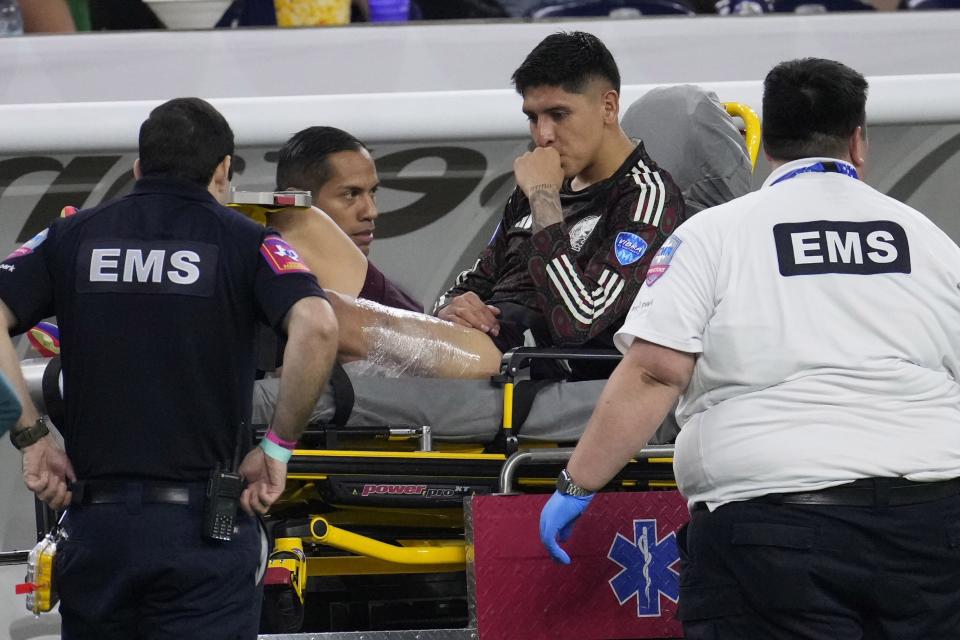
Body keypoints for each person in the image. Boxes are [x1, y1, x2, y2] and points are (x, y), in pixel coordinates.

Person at [539, 57, 960, 639]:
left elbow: (656, 373)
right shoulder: (930, 240)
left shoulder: (714, 235)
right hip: (933, 529)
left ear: (767, 144)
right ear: (858, 142)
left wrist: (577, 483)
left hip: (772, 532)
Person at [0, 97, 337, 639]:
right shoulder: (245, 242)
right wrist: (276, 448)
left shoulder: (72, 236)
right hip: (201, 535)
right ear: (223, 170)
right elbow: (318, 327)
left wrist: (32, 439)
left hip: (97, 530)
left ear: (138, 167)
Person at [275, 126, 422, 312]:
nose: (371, 212)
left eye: (373, 192)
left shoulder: (379, 293)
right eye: (351, 194)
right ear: (296, 203)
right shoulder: (265, 295)